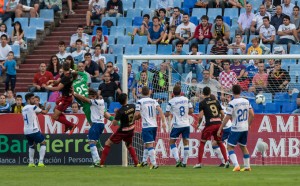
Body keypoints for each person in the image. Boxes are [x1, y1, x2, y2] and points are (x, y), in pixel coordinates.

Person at [217, 84, 254, 172]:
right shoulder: (246, 101)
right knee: (243, 146)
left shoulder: (232, 103)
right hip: (245, 128)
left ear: (232, 92)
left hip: (236, 128)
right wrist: (248, 124)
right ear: (241, 91)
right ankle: (247, 166)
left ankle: (236, 165)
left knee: (229, 147)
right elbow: (252, 114)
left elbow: (227, 117)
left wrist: (220, 128)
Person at [74, 88, 114, 167]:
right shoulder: (102, 101)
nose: (89, 98)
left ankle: (97, 161)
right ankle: (100, 161)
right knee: (95, 142)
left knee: (91, 142)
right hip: (101, 124)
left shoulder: (95, 102)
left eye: (90, 96)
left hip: (96, 124)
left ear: (94, 96)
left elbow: (84, 99)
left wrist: (75, 93)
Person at [100, 93, 139, 167]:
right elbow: (137, 116)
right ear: (126, 99)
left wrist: (116, 114)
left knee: (107, 143)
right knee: (129, 145)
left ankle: (101, 163)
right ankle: (136, 163)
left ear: (119, 102)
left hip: (122, 131)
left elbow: (114, 123)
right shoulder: (133, 106)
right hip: (131, 129)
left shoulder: (120, 111)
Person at [193, 87, 228, 168]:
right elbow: (223, 114)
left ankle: (199, 163)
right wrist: (220, 121)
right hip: (218, 124)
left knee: (202, 142)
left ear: (203, 93)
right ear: (210, 92)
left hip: (210, 125)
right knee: (219, 142)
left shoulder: (202, 103)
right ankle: (226, 161)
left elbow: (201, 116)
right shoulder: (216, 101)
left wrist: (198, 124)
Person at [134, 86, 166, 169]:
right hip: (154, 125)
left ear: (141, 93)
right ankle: (144, 161)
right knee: (147, 143)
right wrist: (163, 122)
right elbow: (160, 110)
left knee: (149, 144)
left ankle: (154, 164)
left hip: (146, 126)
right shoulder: (154, 101)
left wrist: (133, 120)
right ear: (149, 92)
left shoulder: (139, 102)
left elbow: (136, 114)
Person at [165, 85, 194, 167]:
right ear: (181, 92)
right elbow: (191, 110)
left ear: (173, 93)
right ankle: (184, 162)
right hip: (186, 124)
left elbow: (167, 114)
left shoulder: (171, 101)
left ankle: (178, 160)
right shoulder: (186, 99)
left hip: (177, 125)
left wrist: (168, 113)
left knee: (172, 142)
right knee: (186, 142)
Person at [45, 63, 77, 134]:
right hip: (64, 97)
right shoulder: (67, 74)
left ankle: (71, 125)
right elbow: (57, 81)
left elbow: (58, 88)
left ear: (62, 68)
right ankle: (67, 125)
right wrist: (52, 81)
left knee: (55, 116)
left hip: (66, 99)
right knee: (54, 110)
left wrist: (48, 87)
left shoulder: (66, 77)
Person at [22, 93, 51, 167]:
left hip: (26, 131)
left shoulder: (24, 108)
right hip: (34, 129)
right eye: (32, 98)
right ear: (28, 100)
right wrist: (47, 108)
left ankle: (31, 163)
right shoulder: (33, 107)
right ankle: (40, 162)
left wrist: (42, 108)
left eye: (34, 98)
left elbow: (34, 114)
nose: (34, 100)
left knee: (31, 145)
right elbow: (45, 112)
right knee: (43, 143)